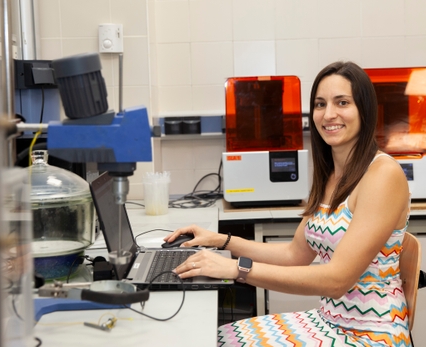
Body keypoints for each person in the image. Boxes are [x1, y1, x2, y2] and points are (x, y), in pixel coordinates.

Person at [165, 61, 412, 346]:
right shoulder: (332, 175)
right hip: (329, 321)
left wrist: (237, 270)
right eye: (320, 104)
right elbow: (295, 254)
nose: (328, 114)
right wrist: (222, 241)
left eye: (342, 102)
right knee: (221, 338)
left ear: (365, 110)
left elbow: (336, 280)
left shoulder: (383, 175)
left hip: (370, 335)